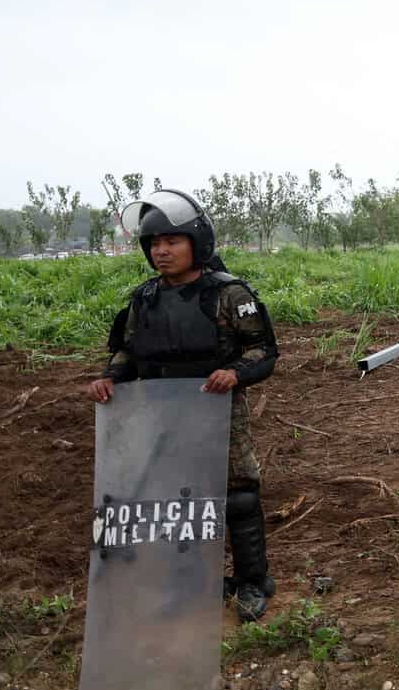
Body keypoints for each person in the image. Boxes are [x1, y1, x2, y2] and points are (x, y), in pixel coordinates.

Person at [86, 190, 280, 619]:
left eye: (172, 241)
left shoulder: (230, 295)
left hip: (218, 410)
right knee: (178, 498)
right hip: (162, 415)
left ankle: (252, 581)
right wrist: (109, 378)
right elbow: (127, 352)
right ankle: (193, 579)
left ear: (197, 242)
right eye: (154, 244)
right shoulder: (144, 299)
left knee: (239, 495)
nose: (162, 251)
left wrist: (235, 374)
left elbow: (262, 351)